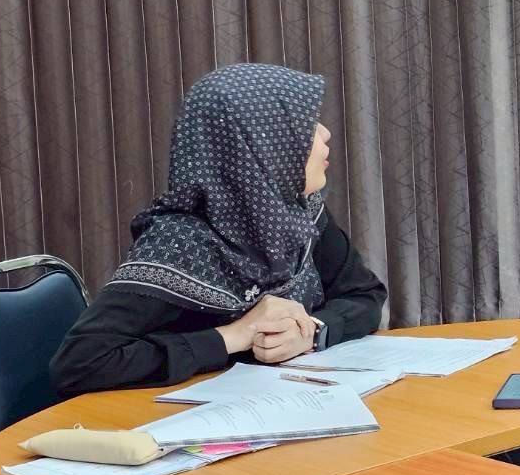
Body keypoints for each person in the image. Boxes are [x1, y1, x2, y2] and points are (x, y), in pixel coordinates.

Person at [51, 63, 387, 397]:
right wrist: (233, 336)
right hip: (199, 421)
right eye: (304, 126)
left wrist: (311, 331)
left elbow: (365, 295)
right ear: (259, 146)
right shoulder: (178, 245)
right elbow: (80, 363)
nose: (325, 133)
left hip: (292, 406)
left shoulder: (294, 213)